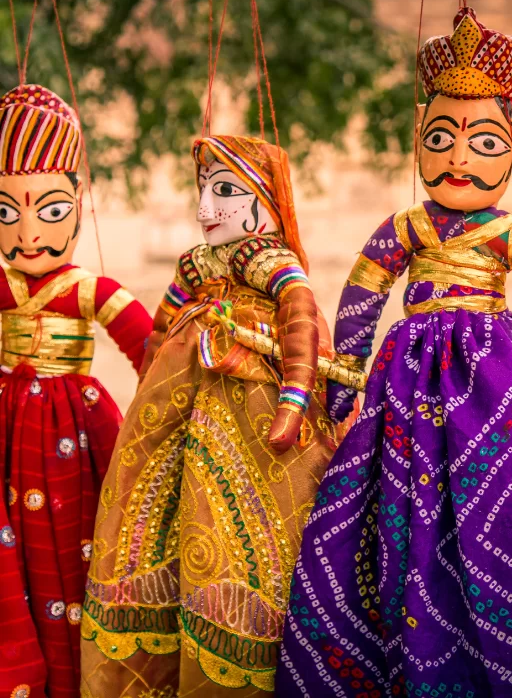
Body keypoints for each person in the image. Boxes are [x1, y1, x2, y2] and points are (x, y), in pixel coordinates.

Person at [277, 8, 512, 697]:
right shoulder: (407, 226)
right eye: (441, 137)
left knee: (506, 520)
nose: (459, 158)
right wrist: (342, 391)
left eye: (483, 140)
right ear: (419, 139)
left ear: (511, 148)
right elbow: (361, 296)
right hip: (404, 383)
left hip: (498, 386)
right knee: (401, 519)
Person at [81, 135, 340, 697]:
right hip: (176, 410)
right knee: (153, 529)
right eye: (204, 190)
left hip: (256, 409)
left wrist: (294, 401)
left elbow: (300, 321)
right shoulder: (197, 264)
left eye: (226, 192)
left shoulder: (272, 262)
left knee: (257, 540)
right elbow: (157, 329)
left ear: (266, 200)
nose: (206, 209)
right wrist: (145, 390)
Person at [0, 84, 151, 698]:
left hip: (75, 432)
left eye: (51, 211)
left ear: (78, 204)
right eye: (8, 212)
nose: (30, 233)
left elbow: (152, 354)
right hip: (9, 424)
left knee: (83, 544)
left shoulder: (92, 290)